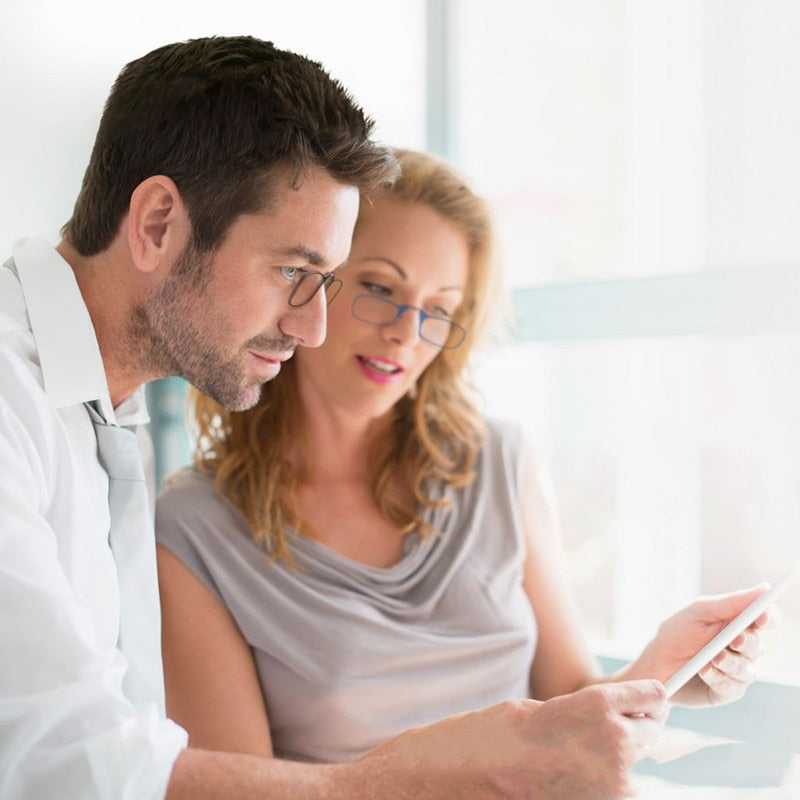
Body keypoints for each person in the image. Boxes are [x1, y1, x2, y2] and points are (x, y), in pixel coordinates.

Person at [0, 34, 671, 800]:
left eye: (325, 280)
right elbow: (71, 763)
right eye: (294, 271)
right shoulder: (20, 411)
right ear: (157, 224)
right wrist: (432, 774)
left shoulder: (101, 417)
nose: (313, 325)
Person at [155, 150, 776, 787]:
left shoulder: (501, 464)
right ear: (309, 281)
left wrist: (663, 672)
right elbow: (237, 790)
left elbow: (570, 700)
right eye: (379, 288)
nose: (407, 332)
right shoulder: (194, 531)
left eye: (440, 308)